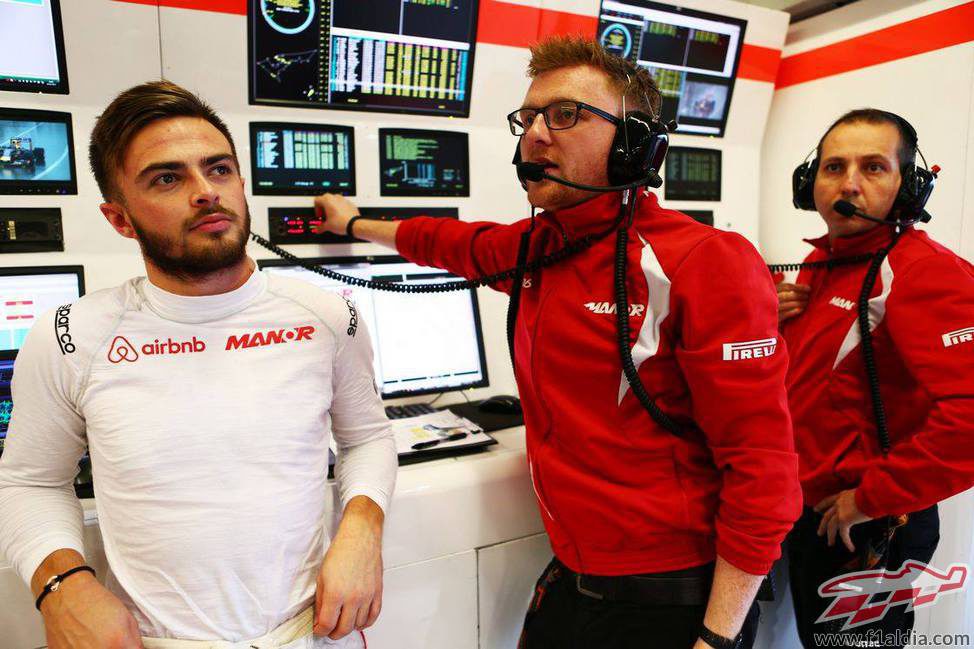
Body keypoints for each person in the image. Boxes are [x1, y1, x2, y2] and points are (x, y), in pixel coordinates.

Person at [314, 36, 801, 649]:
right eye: (528, 118)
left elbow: (764, 470)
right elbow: (445, 240)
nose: (535, 135)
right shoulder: (539, 247)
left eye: (565, 115)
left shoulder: (704, 262)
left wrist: (719, 638)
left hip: (675, 599)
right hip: (576, 578)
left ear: (634, 145)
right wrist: (352, 223)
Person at [0, 81, 396, 649]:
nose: (206, 192)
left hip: (311, 633)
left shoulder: (326, 313)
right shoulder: (72, 336)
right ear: (120, 219)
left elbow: (367, 439)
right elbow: (29, 482)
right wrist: (61, 585)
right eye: (167, 178)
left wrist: (362, 528)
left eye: (218, 169)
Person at [777, 108, 974, 648]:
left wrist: (871, 498)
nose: (850, 184)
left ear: (908, 187)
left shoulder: (921, 272)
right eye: (834, 167)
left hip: (863, 520)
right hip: (813, 515)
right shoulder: (824, 269)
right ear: (808, 182)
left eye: (874, 168)